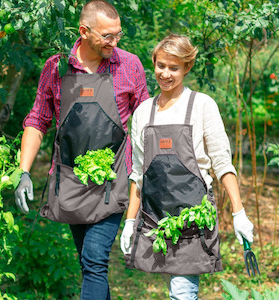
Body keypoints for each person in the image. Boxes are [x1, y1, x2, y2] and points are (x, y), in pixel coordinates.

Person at [14, 1, 149, 299]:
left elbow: (145, 124)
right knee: (89, 265)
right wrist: (24, 171)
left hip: (113, 180)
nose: (115, 42)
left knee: (94, 260)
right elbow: (38, 119)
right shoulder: (56, 67)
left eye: (118, 34)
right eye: (107, 36)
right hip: (71, 180)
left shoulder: (129, 65)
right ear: (84, 31)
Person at [120, 33, 254, 299]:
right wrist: (130, 220)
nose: (165, 74)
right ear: (154, 63)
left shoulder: (202, 105)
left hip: (193, 221)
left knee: (181, 293)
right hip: (154, 220)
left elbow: (222, 163)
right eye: (161, 66)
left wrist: (239, 213)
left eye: (174, 68)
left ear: (187, 67)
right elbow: (138, 174)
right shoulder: (143, 112)